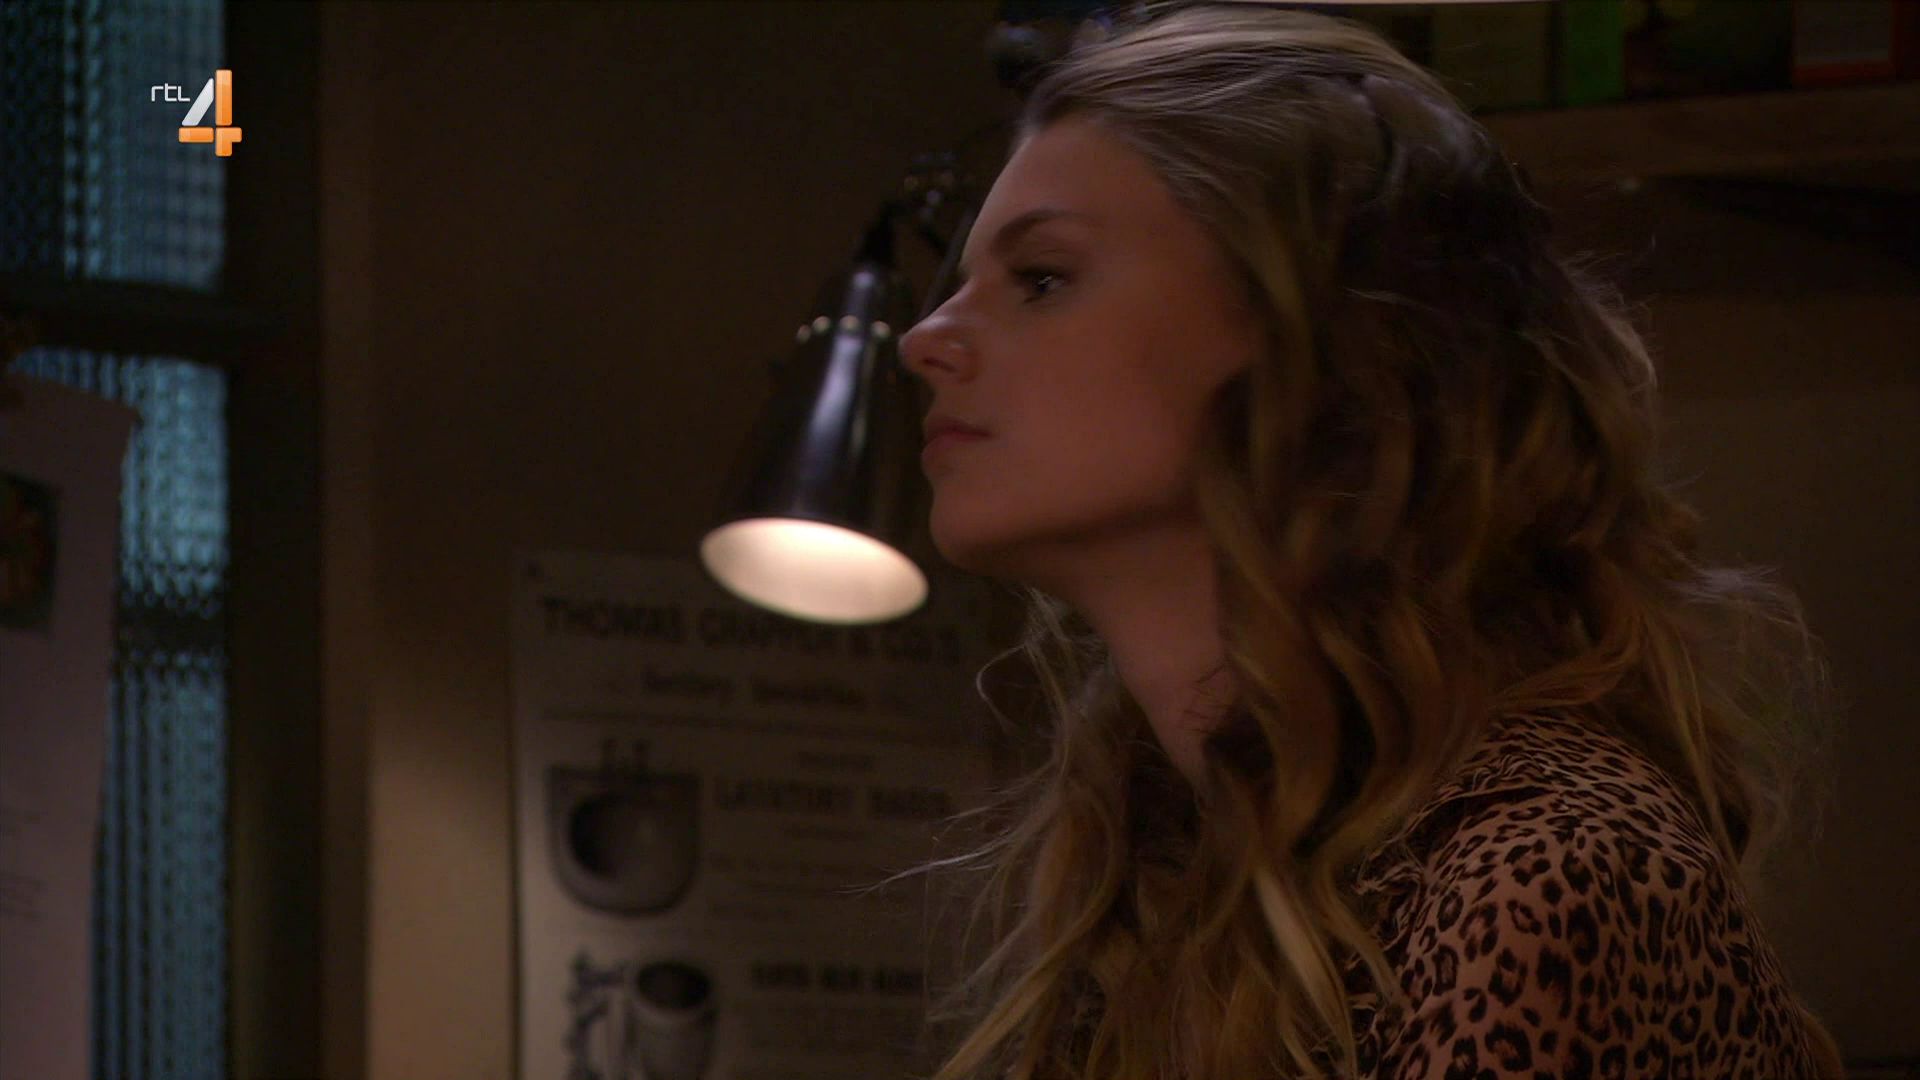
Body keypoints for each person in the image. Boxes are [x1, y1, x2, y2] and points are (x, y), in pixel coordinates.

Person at [892, 3, 1848, 1078]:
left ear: (1316, 336)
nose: (927, 339)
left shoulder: (1539, 870)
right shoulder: (1165, 860)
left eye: (1043, 279)